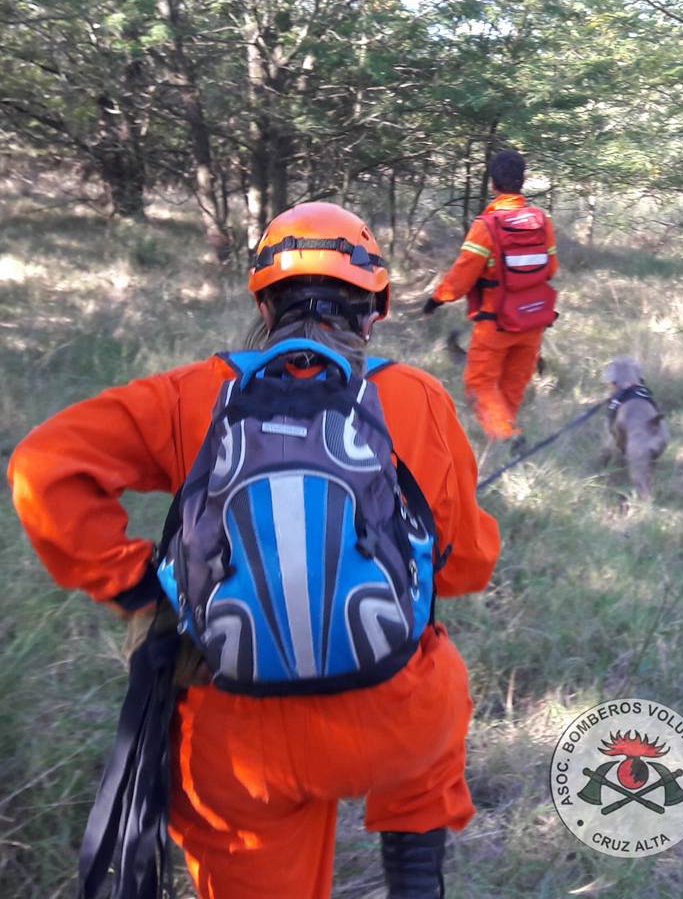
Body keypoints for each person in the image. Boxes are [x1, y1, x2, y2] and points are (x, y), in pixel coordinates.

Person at [7, 202, 500, 899]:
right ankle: (415, 863)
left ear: (265, 304)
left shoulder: (193, 394)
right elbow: (467, 567)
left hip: (237, 737)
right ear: (373, 311)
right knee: (433, 668)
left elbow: (40, 465)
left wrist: (138, 586)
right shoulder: (415, 399)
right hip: (393, 723)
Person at [424, 150, 559, 444]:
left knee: (480, 382)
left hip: (496, 321)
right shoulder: (541, 221)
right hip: (534, 319)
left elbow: (462, 276)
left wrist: (437, 298)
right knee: (513, 382)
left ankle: (505, 435)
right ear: (522, 181)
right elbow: (552, 267)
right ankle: (505, 434)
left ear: (494, 184)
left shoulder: (487, 226)